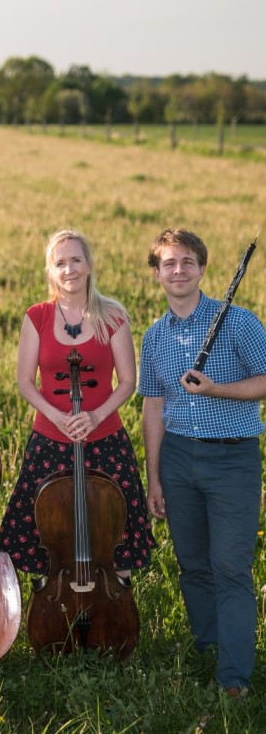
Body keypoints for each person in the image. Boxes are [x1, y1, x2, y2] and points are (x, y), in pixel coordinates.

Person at [138, 227, 266, 697]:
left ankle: (234, 678)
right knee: (193, 565)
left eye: (187, 262)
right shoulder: (154, 336)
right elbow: (153, 406)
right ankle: (209, 648)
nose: (179, 270)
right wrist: (154, 476)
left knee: (230, 567)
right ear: (157, 274)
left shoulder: (237, 321)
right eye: (169, 263)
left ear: (203, 269)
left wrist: (215, 388)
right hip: (177, 459)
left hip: (233, 458)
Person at [0, 229, 155, 580]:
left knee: (115, 535)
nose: (69, 269)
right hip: (50, 439)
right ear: (51, 271)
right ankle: (50, 612)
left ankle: (116, 615)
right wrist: (58, 417)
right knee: (43, 536)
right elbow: (25, 381)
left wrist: (96, 416)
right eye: (60, 263)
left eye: (76, 260)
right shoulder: (36, 316)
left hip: (106, 440)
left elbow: (128, 382)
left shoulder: (113, 316)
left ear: (89, 265)